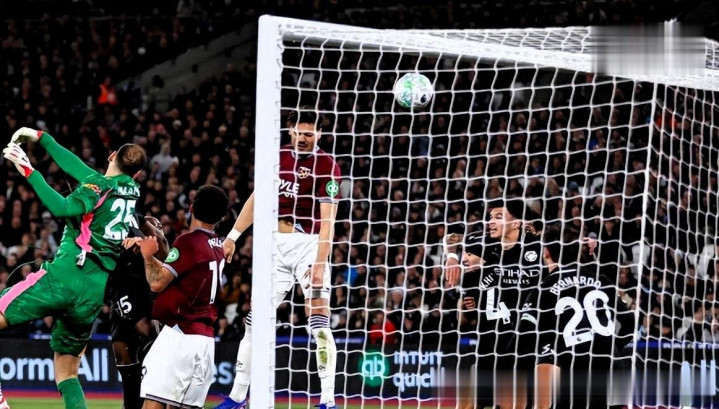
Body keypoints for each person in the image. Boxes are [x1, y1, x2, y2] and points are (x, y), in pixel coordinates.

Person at [0, 127, 145, 409]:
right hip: (92, 294)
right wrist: (42, 138)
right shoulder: (129, 192)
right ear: (136, 174)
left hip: (63, 277)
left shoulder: (98, 186)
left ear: (111, 156)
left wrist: (30, 171)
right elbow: (76, 166)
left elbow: (63, 208)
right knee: (67, 374)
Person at [216, 108, 341, 409]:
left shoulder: (327, 165)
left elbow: (328, 220)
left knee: (318, 320)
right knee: (253, 321)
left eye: (309, 133)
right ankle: (237, 398)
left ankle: (327, 400)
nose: (302, 138)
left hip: (309, 244)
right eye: (298, 132)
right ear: (290, 131)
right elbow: (256, 199)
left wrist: (320, 263)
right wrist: (232, 236)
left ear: (320, 134)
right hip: (274, 245)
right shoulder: (277, 157)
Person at [517, 226, 633, 409]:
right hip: (613, 367)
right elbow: (630, 322)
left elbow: (525, 334)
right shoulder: (601, 280)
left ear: (546, 252)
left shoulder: (545, 287)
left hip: (575, 369)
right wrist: (612, 347)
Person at [444, 198, 543, 409]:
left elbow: (566, 243)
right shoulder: (485, 242)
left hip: (527, 340)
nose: (491, 222)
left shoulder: (536, 245)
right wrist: (451, 257)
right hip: (492, 339)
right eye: (490, 217)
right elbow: (451, 237)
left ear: (516, 223)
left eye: (499, 217)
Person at [138, 185, 229, 409]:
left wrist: (147, 255)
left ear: (191, 208)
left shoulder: (188, 241)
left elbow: (157, 282)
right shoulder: (219, 247)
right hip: (205, 342)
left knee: (153, 403)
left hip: (180, 337)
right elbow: (182, 272)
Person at [105, 214, 168, 409]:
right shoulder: (124, 218)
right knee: (125, 353)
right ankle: (134, 402)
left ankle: (153, 399)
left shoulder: (139, 227)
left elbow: (163, 249)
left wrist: (142, 243)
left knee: (148, 337)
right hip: (120, 290)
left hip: (138, 290)